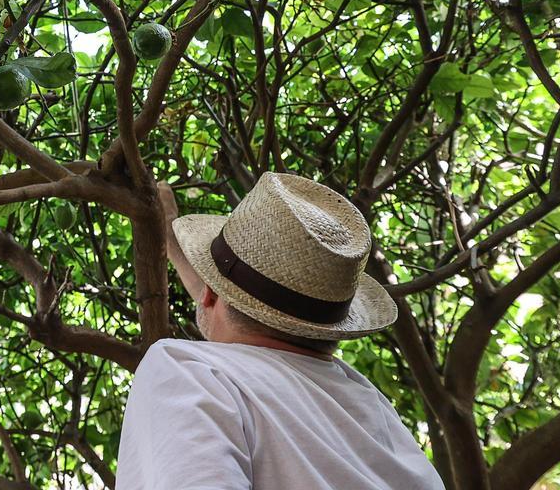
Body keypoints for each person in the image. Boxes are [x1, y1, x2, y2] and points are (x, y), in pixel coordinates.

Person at [115, 172, 445, 489]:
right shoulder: (372, 409)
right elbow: (240, 314)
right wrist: (171, 242)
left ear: (211, 292)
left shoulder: (188, 371)